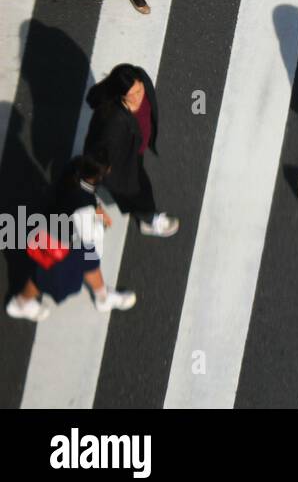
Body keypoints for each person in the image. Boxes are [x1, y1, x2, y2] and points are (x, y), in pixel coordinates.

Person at [5, 157, 136, 321]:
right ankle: (20, 304)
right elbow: (91, 237)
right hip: (59, 246)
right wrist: (99, 225)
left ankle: (103, 296)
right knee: (47, 278)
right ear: (97, 178)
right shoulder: (84, 205)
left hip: (58, 232)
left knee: (88, 262)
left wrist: (95, 208)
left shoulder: (73, 172)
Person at [83, 64, 179, 238]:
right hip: (123, 163)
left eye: (139, 90)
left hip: (134, 148)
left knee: (138, 189)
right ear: (120, 95)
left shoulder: (140, 76)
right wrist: (90, 195)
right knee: (138, 192)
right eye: (132, 95)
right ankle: (148, 220)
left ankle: (145, 215)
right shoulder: (113, 123)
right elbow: (94, 158)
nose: (139, 97)